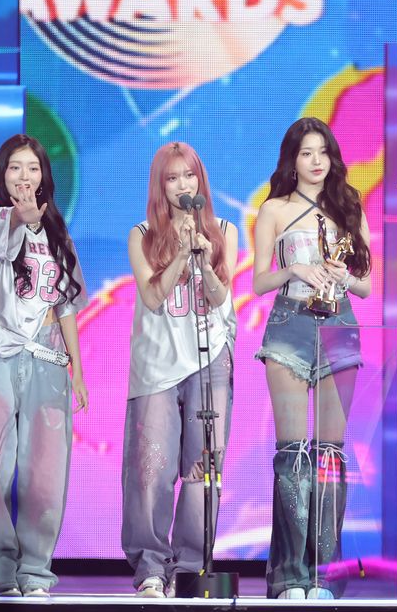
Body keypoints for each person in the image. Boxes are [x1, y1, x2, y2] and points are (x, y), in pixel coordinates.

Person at [0, 133, 89, 598]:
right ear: (3, 175)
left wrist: (77, 370)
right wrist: (24, 216)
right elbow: (4, 243)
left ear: (43, 176)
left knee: (46, 468)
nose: (24, 176)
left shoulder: (58, 232)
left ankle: (35, 569)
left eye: (32, 168)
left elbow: (66, 303)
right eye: (15, 167)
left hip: (47, 356)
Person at [252, 117, 373, 600]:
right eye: (306, 153)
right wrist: (294, 270)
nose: (317, 161)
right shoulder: (274, 210)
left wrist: (344, 277)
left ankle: (324, 575)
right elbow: (258, 281)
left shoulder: (349, 206)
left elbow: (366, 286)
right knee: (292, 455)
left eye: (323, 151)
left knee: (329, 455)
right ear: (293, 160)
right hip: (290, 325)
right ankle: (290, 577)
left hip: (339, 326)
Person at [121, 143, 238, 598]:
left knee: (202, 470)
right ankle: (151, 567)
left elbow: (221, 298)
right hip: (157, 364)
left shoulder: (224, 230)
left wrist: (203, 259)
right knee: (151, 470)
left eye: (188, 176)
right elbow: (153, 297)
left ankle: (189, 567)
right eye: (172, 178)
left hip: (210, 362)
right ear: (160, 186)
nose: (182, 185)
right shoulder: (141, 235)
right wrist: (179, 254)